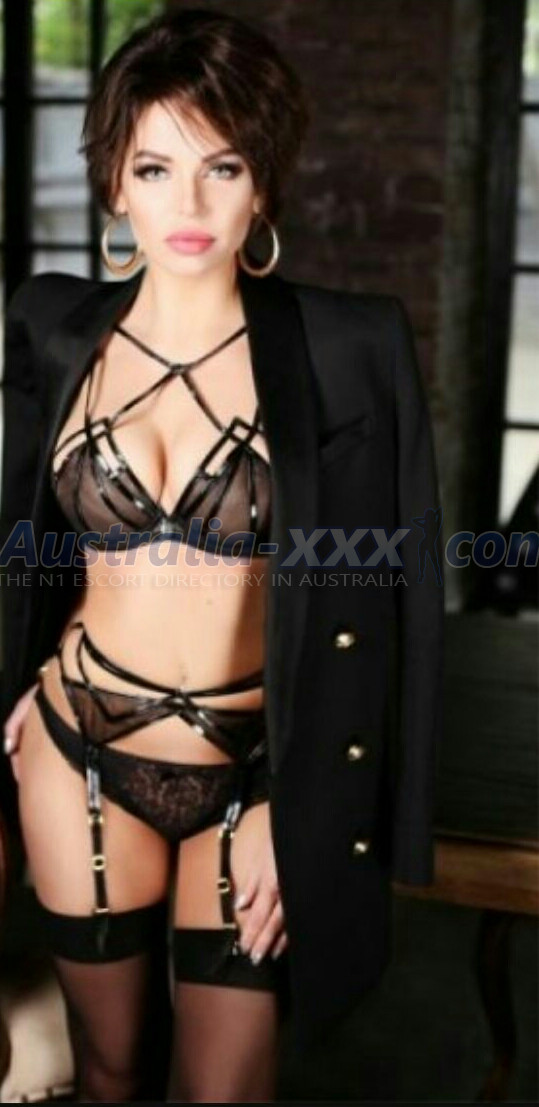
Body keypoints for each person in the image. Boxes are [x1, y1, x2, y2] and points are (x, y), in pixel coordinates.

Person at [1, 7, 445, 1103]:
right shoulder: (52, 325)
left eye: (222, 167)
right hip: (77, 745)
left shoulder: (349, 346)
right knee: (110, 1071)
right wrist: (16, 675)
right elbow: (22, 540)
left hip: (255, 769)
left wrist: (305, 803)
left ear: (264, 185)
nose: (188, 206)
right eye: (155, 168)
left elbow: (388, 599)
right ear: (115, 181)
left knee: (225, 1091)